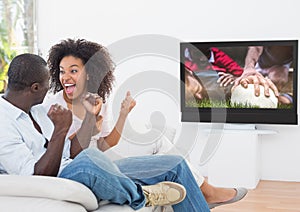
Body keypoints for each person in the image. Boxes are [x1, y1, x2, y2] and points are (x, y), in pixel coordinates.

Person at [44, 38, 247, 209]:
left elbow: (106, 143)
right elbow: (61, 154)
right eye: (62, 72)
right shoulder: (53, 107)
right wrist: (87, 125)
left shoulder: (96, 100)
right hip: (90, 167)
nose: (66, 77)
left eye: (73, 71)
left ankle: (204, 190)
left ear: (89, 73)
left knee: (164, 147)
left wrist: (123, 114)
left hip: (102, 157)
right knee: (163, 150)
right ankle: (206, 191)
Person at [0, 53, 211, 211]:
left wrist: (90, 117)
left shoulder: (36, 111)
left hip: (78, 167)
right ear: (35, 88)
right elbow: (36, 177)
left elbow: (70, 153)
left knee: (174, 164)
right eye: (47, 85)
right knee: (91, 158)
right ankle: (141, 196)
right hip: (61, 177)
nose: (52, 89)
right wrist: (60, 131)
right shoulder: (3, 123)